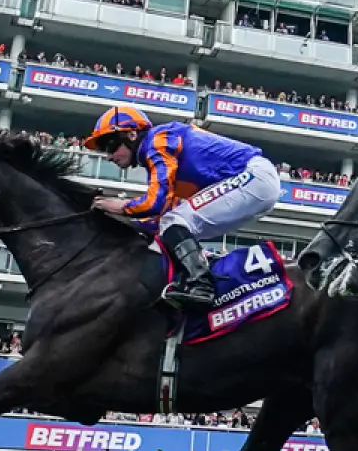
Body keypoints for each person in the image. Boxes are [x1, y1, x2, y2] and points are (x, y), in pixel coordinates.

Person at [81, 105, 281, 309]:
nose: (108, 156)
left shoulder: (157, 141)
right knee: (174, 228)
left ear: (131, 134)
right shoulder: (161, 155)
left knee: (175, 222)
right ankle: (195, 281)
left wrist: (121, 206)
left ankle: (202, 286)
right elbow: (160, 219)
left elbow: (154, 204)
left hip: (254, 176)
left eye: (109, 146)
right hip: (255, 183)